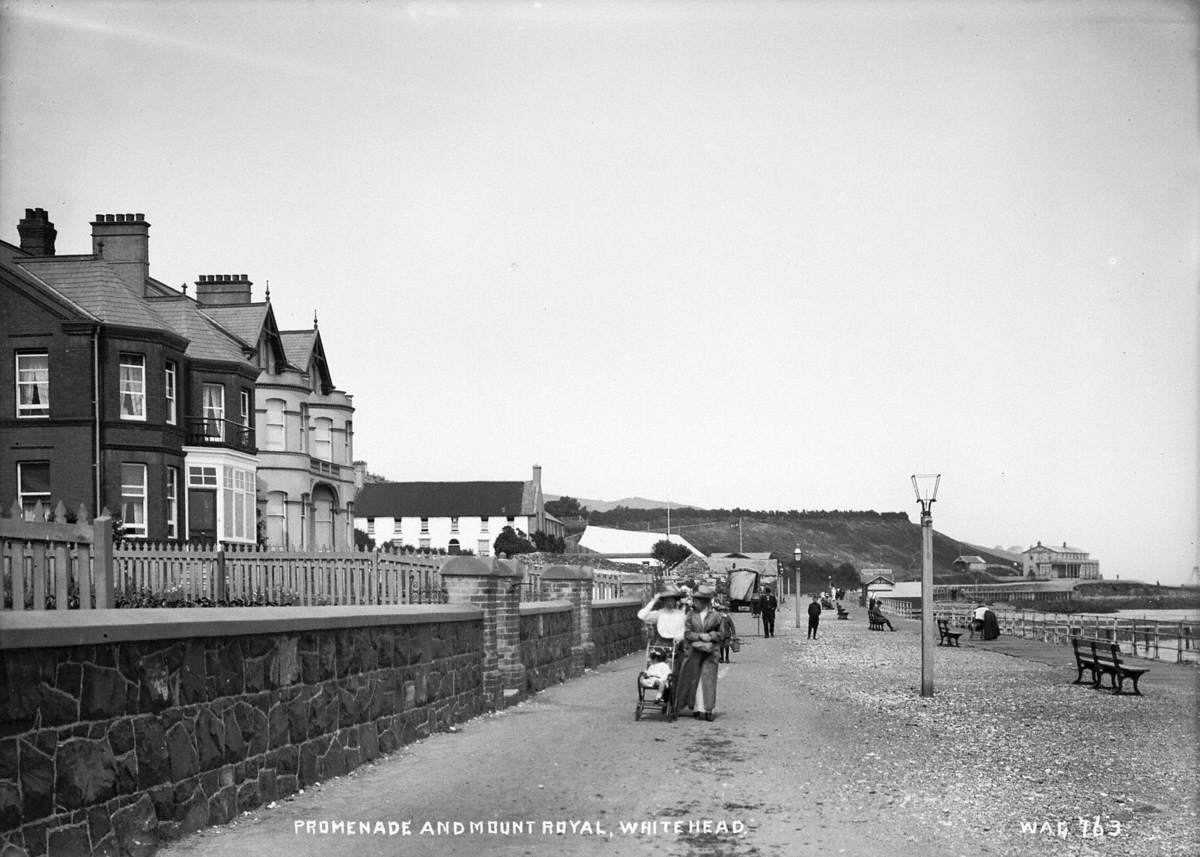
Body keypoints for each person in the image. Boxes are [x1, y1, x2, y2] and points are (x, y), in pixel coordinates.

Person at [674, 586, 725, 721]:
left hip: (710, 651)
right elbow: (687, 633)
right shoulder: (691, 615)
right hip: (694, 651)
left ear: (705, 602)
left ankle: (708, 709)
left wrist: (712, 636)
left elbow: (722, 633)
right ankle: (695, 708)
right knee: (693, 679)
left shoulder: (716, 616)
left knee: (708, 680)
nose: (694, 603)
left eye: (697, 600)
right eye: (694, 600)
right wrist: (700, 636)